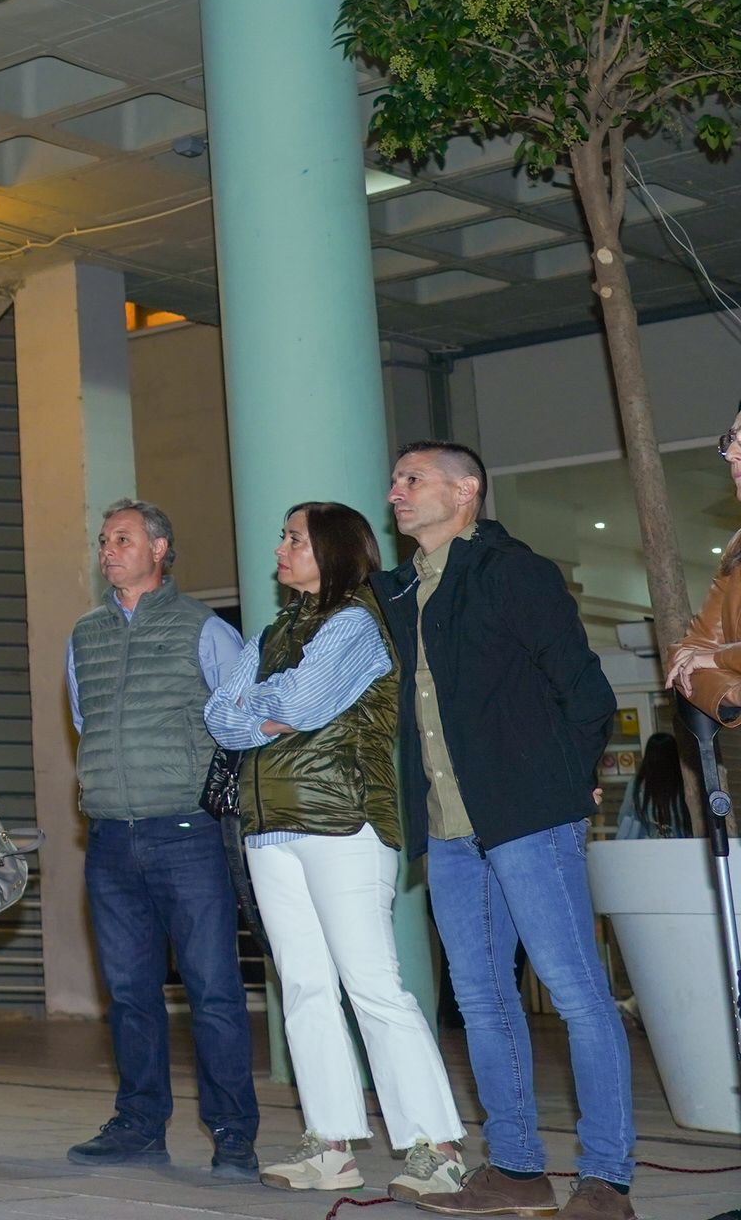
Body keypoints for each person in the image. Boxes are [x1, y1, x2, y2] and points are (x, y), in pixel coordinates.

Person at [381, 441, 629, 1220]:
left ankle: (607, 1178)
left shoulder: (512, 572)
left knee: (578, 995)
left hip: (527, 815)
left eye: (412, 479)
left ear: (466, 492)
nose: (396, 493)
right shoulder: (400, 593)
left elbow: (585, 688)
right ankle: (518, 1168)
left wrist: (566, 779)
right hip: (450, 830)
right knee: (484, 1003)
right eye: (395, 482)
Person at [202, 502, 468, 1199]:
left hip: (343, 822)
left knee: (373, 987)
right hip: (270, 827)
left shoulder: (356, 623)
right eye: (284, 535)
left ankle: (434, 1148)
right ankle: (331, 1145)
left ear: (333, 549)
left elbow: (303, 703)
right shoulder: (274, 630)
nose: (281, 547)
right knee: (306, 989)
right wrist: (262, 709)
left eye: (294, 538)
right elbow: (218, 715)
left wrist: (260, 709)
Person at [64, 498, 260, 1179]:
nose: (107, 550)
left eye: (121, 538)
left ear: (159, 548)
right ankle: (139, 1124)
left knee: (213, 990)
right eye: (102, 541)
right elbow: (85, 722)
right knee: (129, 992)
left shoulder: (204, 629)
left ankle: (234, 1132)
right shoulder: (84, 635)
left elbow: (242, 719)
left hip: (187, 834)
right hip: (112, 837)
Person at [667, 402, 741, 729]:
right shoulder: (738, 548)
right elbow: (684, 658)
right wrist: (735, 692)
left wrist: (716, 658)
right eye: (733, 439)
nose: (732, 453)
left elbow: (702, 656)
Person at [614, 734, 691, 841]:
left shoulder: (637, 783)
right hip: (683, 844)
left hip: (646, 846)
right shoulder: (684, 783)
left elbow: (624, 817)